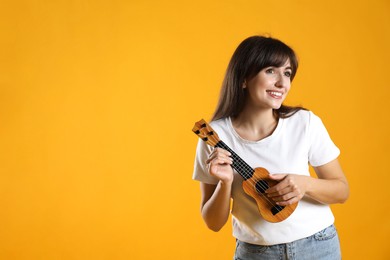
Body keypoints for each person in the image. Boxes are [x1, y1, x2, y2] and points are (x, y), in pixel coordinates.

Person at [192, 36, 349, 259]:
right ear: (244, 78)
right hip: (256, 253)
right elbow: (213, 223)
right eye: (270, 71)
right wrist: (225, 183)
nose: (282, 83)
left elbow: (342, 191)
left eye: (287, 73)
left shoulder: (305, 122)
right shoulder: (215, 137)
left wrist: (306, 184)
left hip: (318, 245)